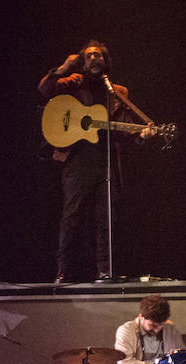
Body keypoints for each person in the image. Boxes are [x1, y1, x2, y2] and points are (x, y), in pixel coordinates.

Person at [38, 40, 146, 284]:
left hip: (106, 160)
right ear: (83, 61)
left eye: (99, 55)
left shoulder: (117, 91)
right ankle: (63, 272)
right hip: (78, 160)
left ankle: (105, 272)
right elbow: (45, 89)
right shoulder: (74, 82)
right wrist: (65, 67)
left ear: (105, 61)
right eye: (90, 56)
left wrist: (141, 135)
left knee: (106, 218)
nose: (95, 59)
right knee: (72, 216)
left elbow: (123, 131)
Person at [114, 294, 186, 364]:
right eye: (153, 325)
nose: (157, 330)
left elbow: (180, 359)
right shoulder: (126, 330)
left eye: (161, 325)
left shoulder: (171, 330)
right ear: (141, 316)